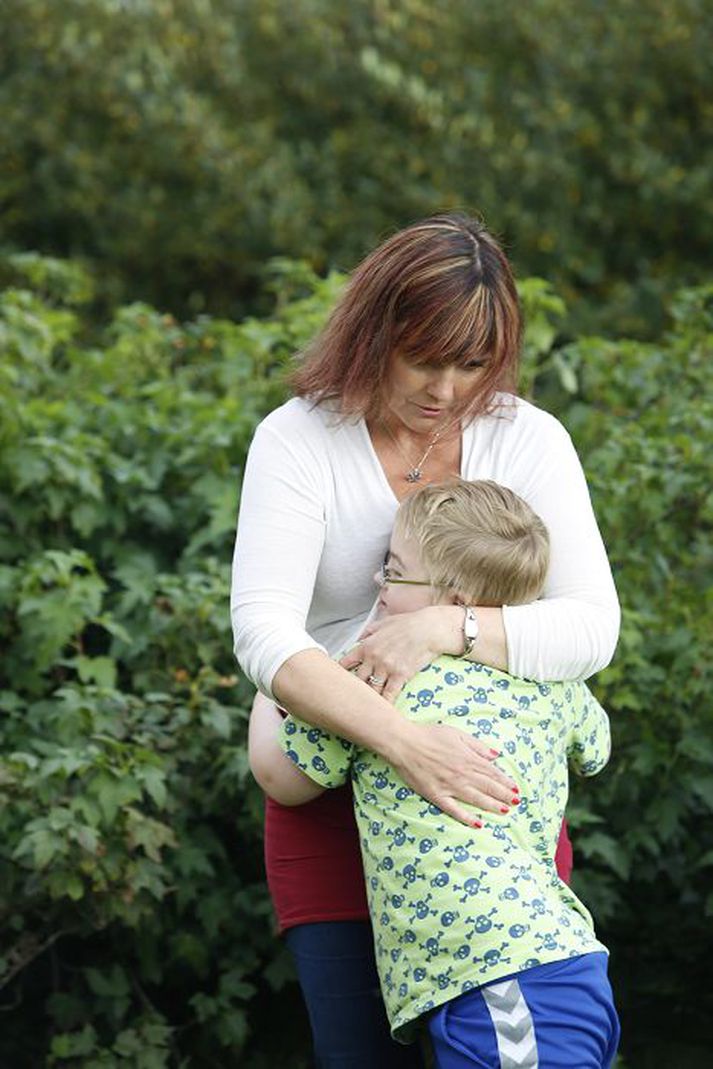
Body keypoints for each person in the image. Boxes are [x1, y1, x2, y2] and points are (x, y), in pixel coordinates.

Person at [231, 213, 620, 1067]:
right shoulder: (298, 440)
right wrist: (404, 742)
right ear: (373, 334)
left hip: (484, 821)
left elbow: (591, 626)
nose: (445, 389)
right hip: (334, 786)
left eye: (471, 365)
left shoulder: (527, 439)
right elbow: (263, 630)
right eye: (423, 358)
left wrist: (442, 627)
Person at [250, 479, 620, 1068]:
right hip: (544, 961)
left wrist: (280, 675)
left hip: (500, 974)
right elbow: (596, 749)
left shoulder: (374, 686)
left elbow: (279, 777)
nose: (379, 583)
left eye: (394, 572)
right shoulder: (553, 680)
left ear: (453, 601)